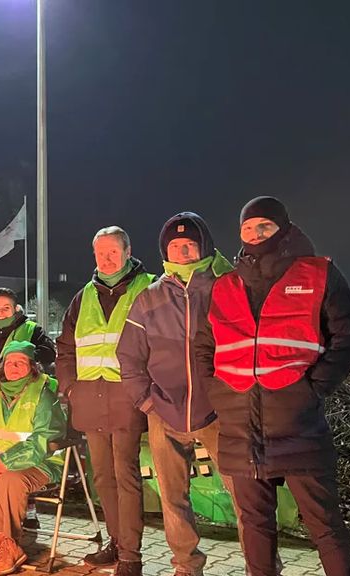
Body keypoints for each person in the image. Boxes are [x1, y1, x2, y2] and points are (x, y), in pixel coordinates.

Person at [195, 197, 350, 576]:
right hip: (239, 427)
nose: (255, 234)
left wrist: (311, 389)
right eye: (247, 228)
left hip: (298, 425)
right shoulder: (225, 286)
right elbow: (204, 347)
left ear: (283, 229)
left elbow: (348, 338)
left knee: (325, 527)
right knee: (255, 527)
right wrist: (218, 391)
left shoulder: (319, 274)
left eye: (264, 226)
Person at [117, 213, 235, 576]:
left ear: (204, 248)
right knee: (173, 498)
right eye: (174, 247)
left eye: (189, 245)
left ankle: (264, 565)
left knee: (245, 494)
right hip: (164, 412)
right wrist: (146, 401)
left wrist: (232, 401)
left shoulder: (226, 288)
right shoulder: (149, 297)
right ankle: (186, 566)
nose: (182, 252)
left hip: (218, 413)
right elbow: (129, 355)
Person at [56, 226, 155, 576]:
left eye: (113, 251)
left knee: (125, 476)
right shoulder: (84, 296)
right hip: (90, 401)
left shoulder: (149, 288)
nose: (107, 258)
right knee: (103, 477)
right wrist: (70, 388)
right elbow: (65, 347)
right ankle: (116, 541)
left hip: (128, 399)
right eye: (100, 253)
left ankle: (131, 556)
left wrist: (146, 391)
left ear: (128, 251)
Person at [0, 341, 66, 576]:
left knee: (11, 480)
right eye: (10, 362)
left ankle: (9, 544)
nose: (14, 367)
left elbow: (44, 439)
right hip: (0, 463)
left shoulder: (44, 393)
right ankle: (3, 544)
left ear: (32, 367)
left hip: (41, 464)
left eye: (21, 362)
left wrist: (5, 463)